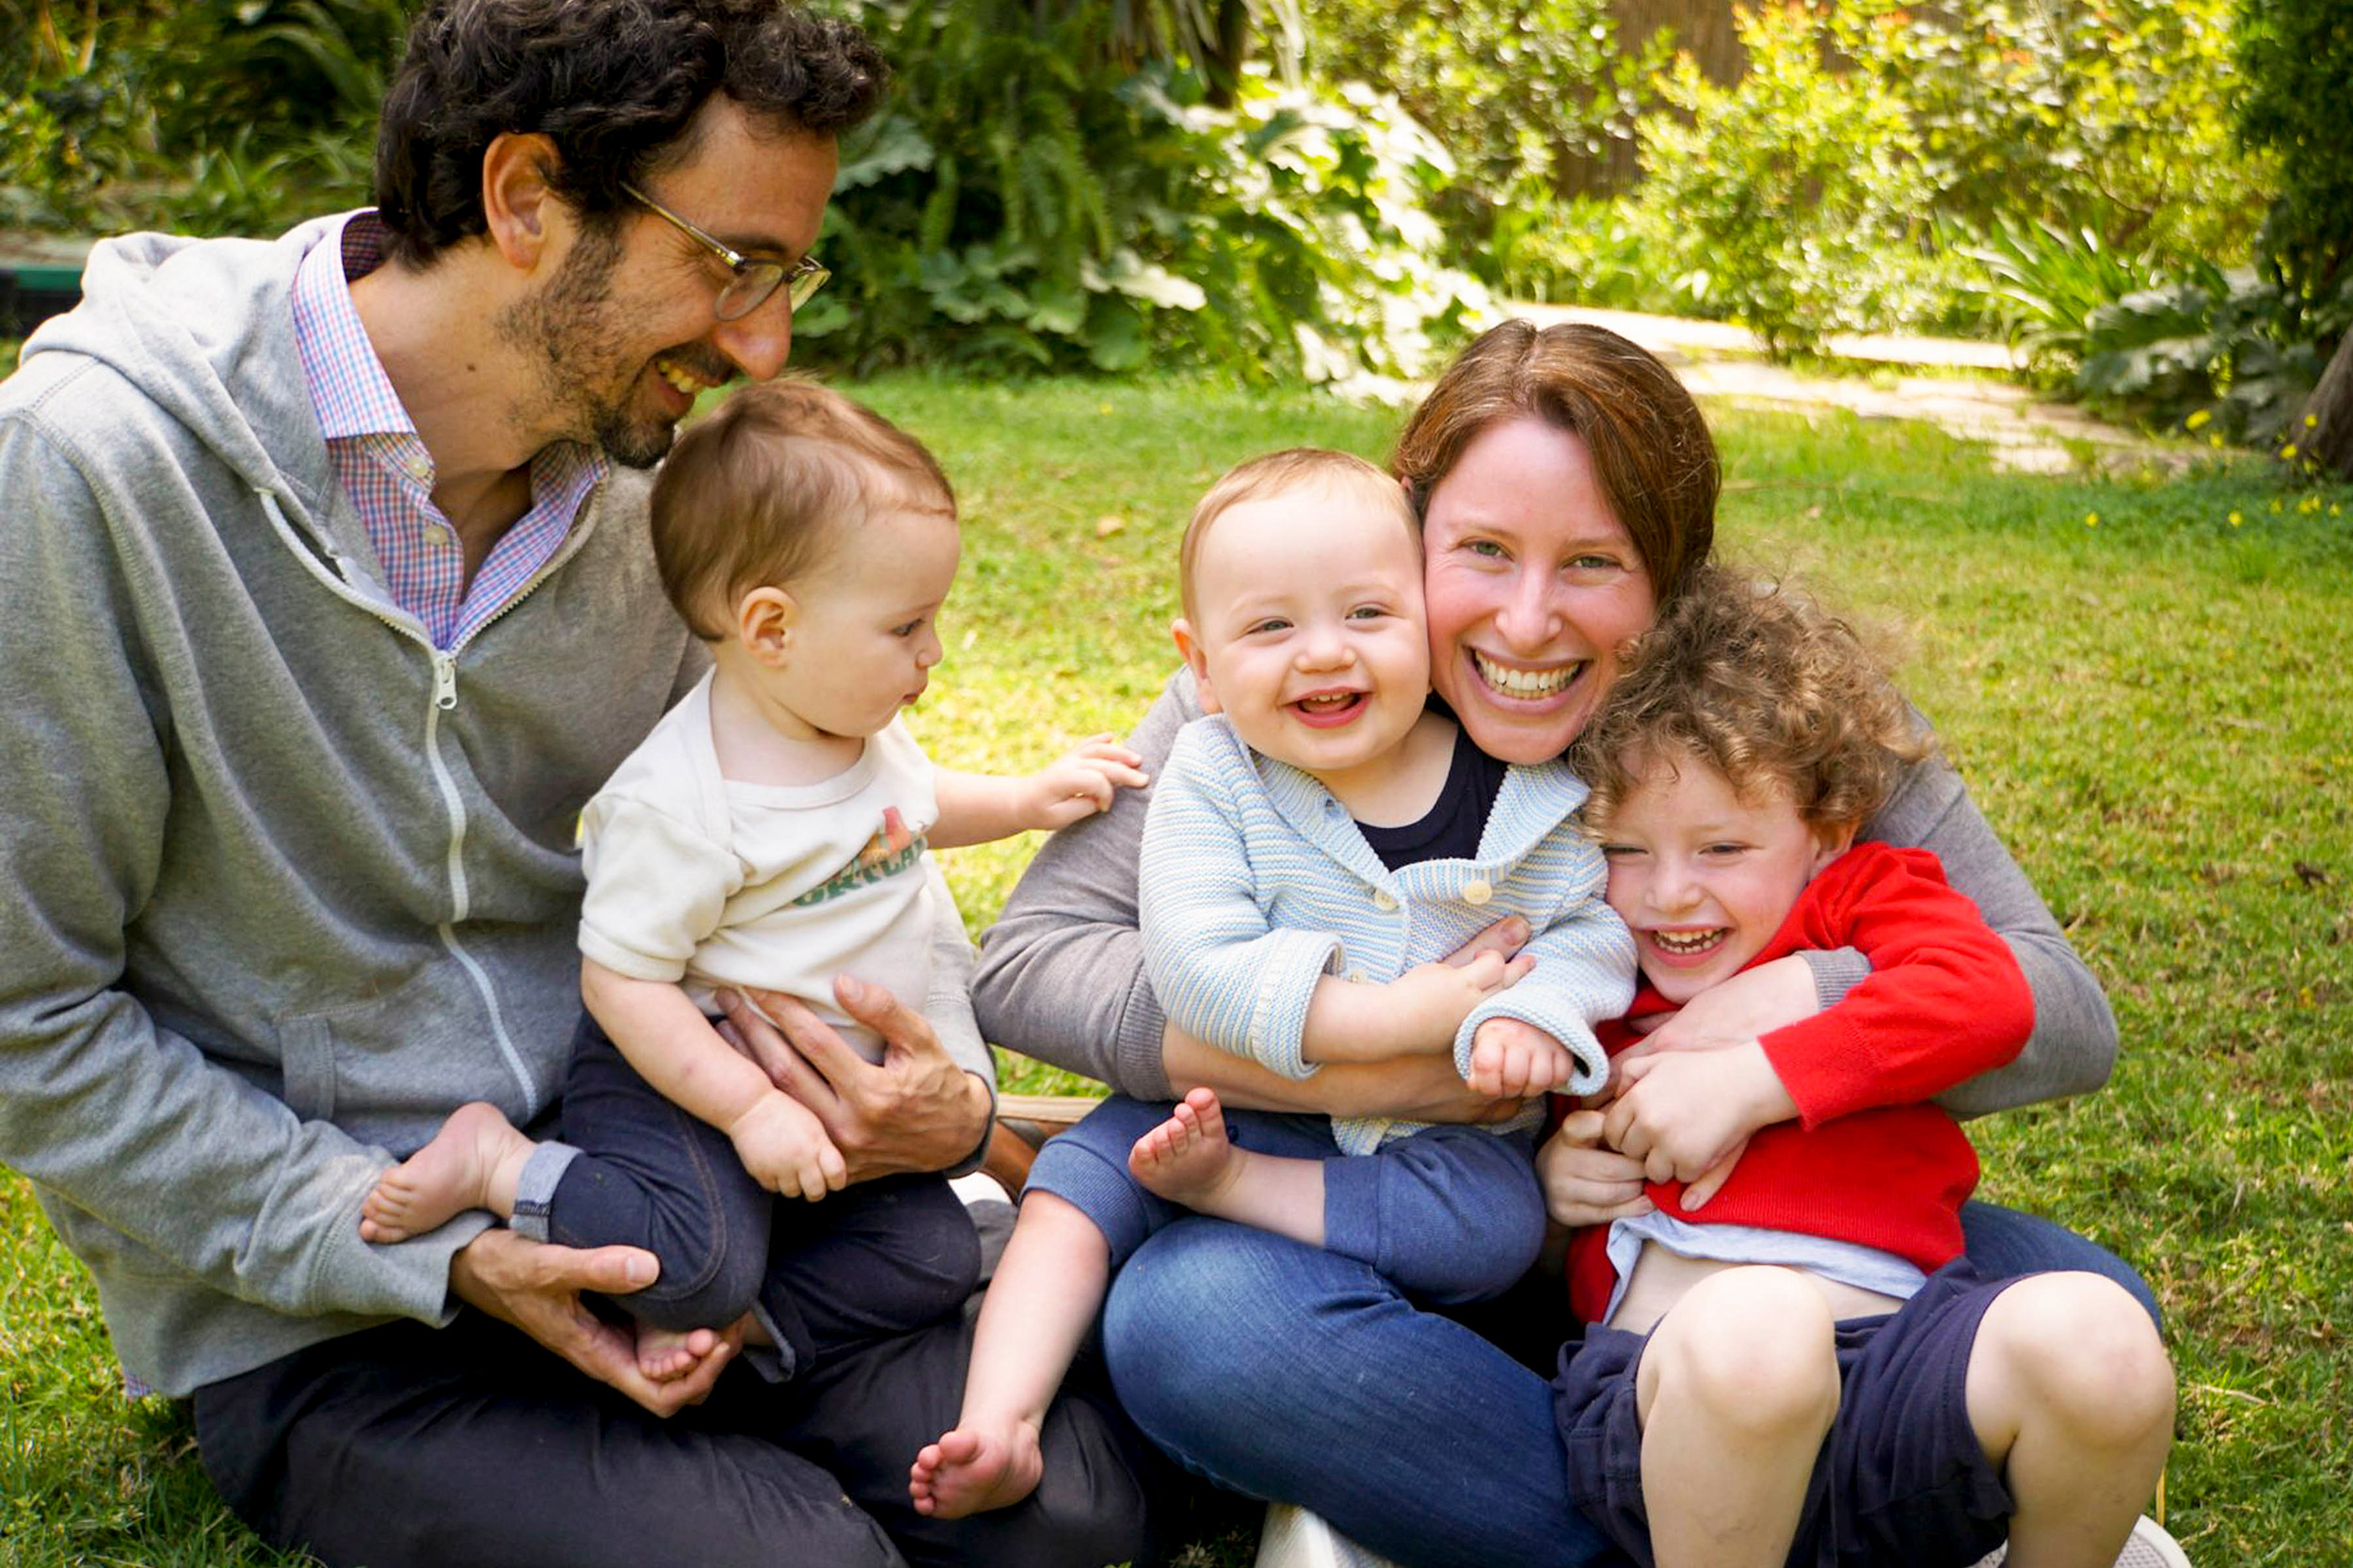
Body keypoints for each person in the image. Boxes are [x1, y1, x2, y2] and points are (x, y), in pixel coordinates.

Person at [0, 5, 1180, 1565]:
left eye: (785, 279)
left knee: (1071, 1516)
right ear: (523, 198)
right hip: (351, 1300)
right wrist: (435, 1256)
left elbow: (794, 839)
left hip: (687, 1185)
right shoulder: (89, 473)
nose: (761, 343)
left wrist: (945, 1109)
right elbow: (31, 1020)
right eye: (730, 263)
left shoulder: (658, 487)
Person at [972, 318, 2164, 1568]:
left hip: (1720, 1236)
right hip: (1411, 1231)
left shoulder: (1760, 705)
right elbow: (1033, 956)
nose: (1528, 624)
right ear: (1410, 530)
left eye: (1593, 562)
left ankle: (1704, 1492)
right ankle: (1748, 1513)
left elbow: (2059, 1010)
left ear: (1672, 574)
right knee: (1194, 1318)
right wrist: (1374, 1058)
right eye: (1482, 552)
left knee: (2097, 1317)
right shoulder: (1306, 674)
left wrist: (1785, 1007)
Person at [358, 379, 1146, 1384]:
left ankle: (745, 1338)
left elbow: (910, 809)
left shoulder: (854, 732)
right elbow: (622, 984)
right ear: (770, 628)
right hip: (683, 1078)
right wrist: (745, 1109)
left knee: (936, 1252)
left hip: (814, 1096)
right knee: (693, 1262)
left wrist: (1028, 798)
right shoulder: (682, 805)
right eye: (906, 626)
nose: (932, 652)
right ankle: (501, 1165)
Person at [909, 448, 1635, 1518]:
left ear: (1428, 623)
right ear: (1199, 664)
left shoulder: (1525, 790)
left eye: (1366, 615)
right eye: (1270, 628)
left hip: (1433, 1154)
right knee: (1077, 1187)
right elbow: (1194, 964)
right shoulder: (1215, 771)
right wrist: (1394, 1027)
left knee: (1490, 1224)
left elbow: (1584, 927)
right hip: (1216, 1102)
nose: (1323, 654)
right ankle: (999, 1417)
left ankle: (1244, 1216)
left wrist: (1534, 1011)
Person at [1548, 568, 2173, 1567]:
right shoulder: (1585, 942)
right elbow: (1514, 1093)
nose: (1669, 894)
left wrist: (1759, 1076)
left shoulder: (1865, 897)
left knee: (2098, 1336)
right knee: (1763, 1326)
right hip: (1675, 1394)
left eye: (1721, 845)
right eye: (1624, 847)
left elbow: (1992, 995)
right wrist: (1554, 1179)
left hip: (1900, 1377)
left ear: (1824, 837)